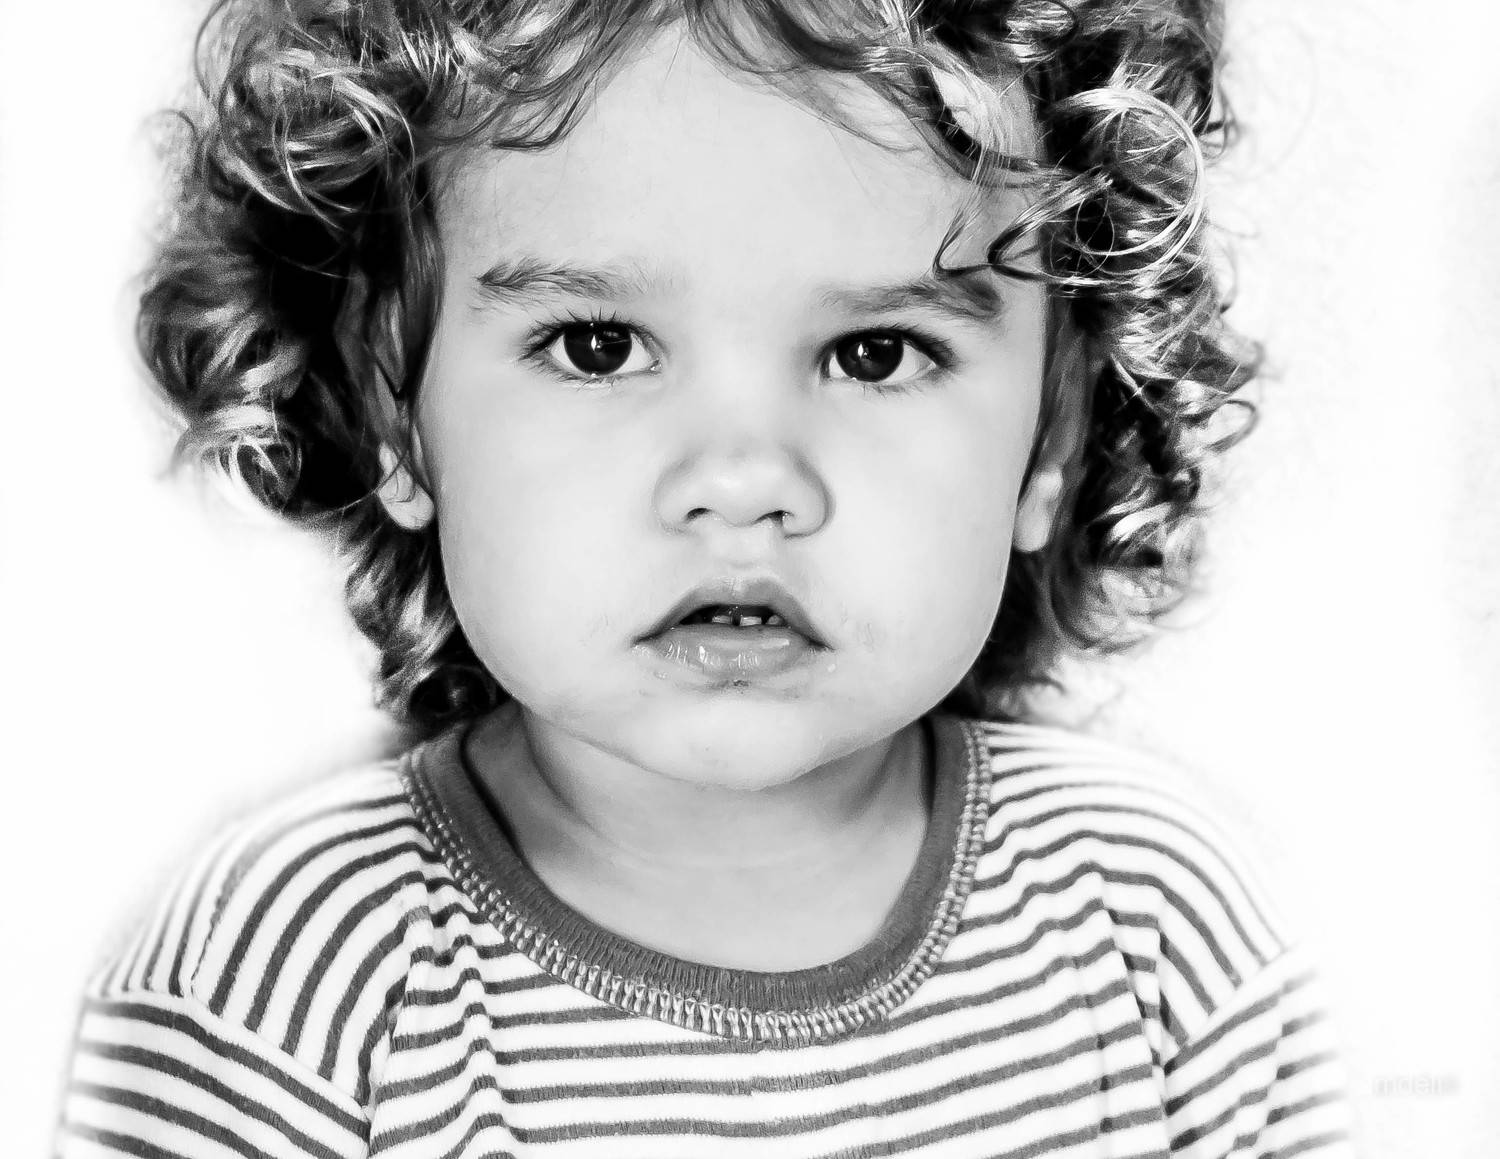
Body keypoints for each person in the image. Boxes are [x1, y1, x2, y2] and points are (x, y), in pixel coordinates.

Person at [56, 0, 1355, 1155]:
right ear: (397, 412)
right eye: (599, 345)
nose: (742, 480)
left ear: (1049, 442)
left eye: (875, 354)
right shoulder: (275, 995)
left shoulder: (1161, 934)